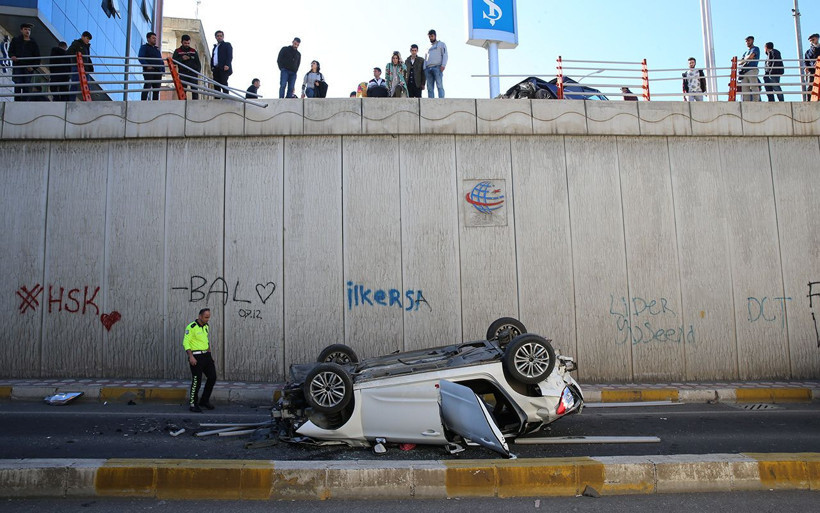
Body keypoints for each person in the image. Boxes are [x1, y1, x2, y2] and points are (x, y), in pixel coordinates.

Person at [183, 308, 216, 413]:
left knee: (212, 377)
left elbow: (206, 340)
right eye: (206, 317)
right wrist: (191, 356)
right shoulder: (191, 327)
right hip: (196, 357)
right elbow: (186, 342)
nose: (208, 319)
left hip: (206, 356)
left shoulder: (206, 326)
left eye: (209, 317)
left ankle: (204, 401)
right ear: (200, 316)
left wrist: (209, 354)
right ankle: (193, 403)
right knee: (197, 380)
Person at [8, 23, 41, 101]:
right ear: (21, 30)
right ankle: (17, 101)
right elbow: (11, 51)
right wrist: (12, 56)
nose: (27, 31)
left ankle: (25, 102)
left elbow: (37, 58)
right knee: (18, 84)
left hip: (28, 67)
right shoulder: (16, 40)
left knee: (26, 85)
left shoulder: (33, 43)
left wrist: (33, 67)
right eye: (25, 29)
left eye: (29, 30)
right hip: (18, 65)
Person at [172, 34, 201, 100]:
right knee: (183, 91)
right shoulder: (177, 51)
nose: (187, 45)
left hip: (193, 74)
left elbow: (198, 63)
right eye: (185, 43)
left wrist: (197, 72)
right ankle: (183, 104)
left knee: (194, 90)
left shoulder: (193, 51)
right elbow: (173, 61)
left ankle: (195, 104)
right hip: (183, 73)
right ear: (181, 42)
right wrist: (182, 58)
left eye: (188, 43)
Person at [67, 31, 94, 100]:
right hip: (77, 66)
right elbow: (69, 52)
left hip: (85, 68)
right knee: (75, 83)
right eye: (87, 38)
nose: (88, 40)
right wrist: (76, 59)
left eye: (89, 39)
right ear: (82, 37)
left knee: (87, 86)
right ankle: (71, 100)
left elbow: (87, 58)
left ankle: (88, 101)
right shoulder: (77, 43)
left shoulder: (86, 47)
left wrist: (90, 66)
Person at [138, 32, 164, 101]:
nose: (155, 39)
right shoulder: (144, 47)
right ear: (148, 39)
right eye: (153, 38)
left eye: (155, 38)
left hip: (158, 71)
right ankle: (143, 101)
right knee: (147, 85)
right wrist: (147, 65)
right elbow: (141, 57)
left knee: (156, 89)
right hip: (149, 70)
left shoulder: (157, 49)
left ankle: (155, 103)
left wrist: (162, 69)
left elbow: (161, 60)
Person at [424, 29, 447, 98]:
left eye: (432, 36)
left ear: (435, 35)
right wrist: (424, 68)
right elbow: (425, 58)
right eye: (429, 37)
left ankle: (441, 99)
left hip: (437, 67)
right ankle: (431, 101)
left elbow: (445, 55)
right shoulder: (428, 47)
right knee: (430, 87)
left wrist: (443, 65)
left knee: (439, 85)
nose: (431, 38)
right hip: (428, 68)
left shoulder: (441, 44)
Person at [738, 36, 761, 102]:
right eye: (746, 41)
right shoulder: (745, 52)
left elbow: (751, 56)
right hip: (744, 71)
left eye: (749, 40)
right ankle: (746, 102)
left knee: (754, 86)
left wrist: (746, 59)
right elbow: (740, 62)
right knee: (745, 89)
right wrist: (747, 58)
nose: (747, 42)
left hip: (752, 69)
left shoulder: (755, 48)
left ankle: (756, 101)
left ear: (752, 41)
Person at [210, 30, 233, 97]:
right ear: (215, 37)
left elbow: (229, 56)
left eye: (220, 36)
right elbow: (213, 57)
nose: (219, 37)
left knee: (223, 83)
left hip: (223, 68)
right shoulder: (215, 47)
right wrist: (212, 66)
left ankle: (226, 97)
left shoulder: (227, 45)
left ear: (223, 37)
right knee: (216, 84)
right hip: (216, 68)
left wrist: (227, 65)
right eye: (218, 36)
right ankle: (217, 98)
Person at [804, 33, 820, 100]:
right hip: (812, 70)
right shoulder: (808, 52)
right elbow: (806, 61)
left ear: (817, 38)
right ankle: (809, 101)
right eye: (810, 41)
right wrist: (807, 67)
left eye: (813, 39)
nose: (812, 42)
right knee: (811, 86)